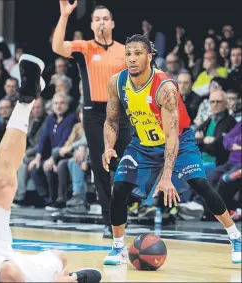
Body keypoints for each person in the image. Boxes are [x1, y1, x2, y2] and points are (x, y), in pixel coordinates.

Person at [102, 34, 241, 265]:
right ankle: (118, 248)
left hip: (178, 140)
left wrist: (166, 177)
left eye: (138, 54)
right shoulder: (117, 82)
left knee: (200, 184)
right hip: (142, 143)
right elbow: (112, 120)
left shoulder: (164, 86)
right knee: (119, 189)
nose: (132, 59)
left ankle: (236, 237)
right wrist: (108, 147)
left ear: (149, 55)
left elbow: (171, 135)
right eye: (128, 54)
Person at [0, 54, 101, 282]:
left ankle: (26, 99)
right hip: (18, 268)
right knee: (60, 257)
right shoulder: (8, 273)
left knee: (3, 182)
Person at [52, 0, 131, 238]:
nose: (102, 22)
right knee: (101, 166)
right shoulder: (84, 48)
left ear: (113, 23)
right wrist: (65, 16)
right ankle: (110, 220)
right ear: (92, 25)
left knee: (123, 166)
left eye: (105, 18)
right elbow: (57, 46)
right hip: (94, 113)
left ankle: (122, 212)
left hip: (120, 112)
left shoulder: (123, 50)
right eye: (97, 19)